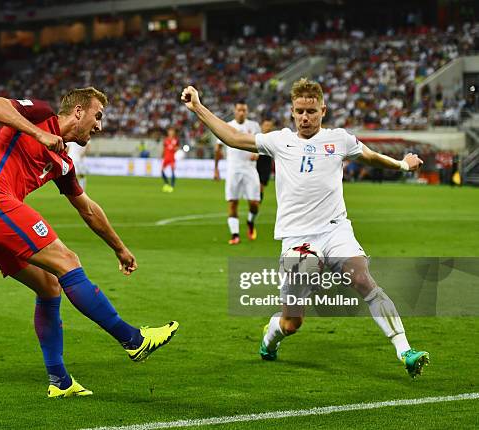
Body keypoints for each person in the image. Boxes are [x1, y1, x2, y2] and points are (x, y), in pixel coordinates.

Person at [181, 78, 429, 378]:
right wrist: (198, 107)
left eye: (311, 111)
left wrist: (402, 165)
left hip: (336, 230)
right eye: (299, 111)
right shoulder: (279, 140)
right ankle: (271, 337)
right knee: (292, 323)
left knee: (364, 279)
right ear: (292, 111)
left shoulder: (339, 140)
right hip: (298, 240)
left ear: (323, 110)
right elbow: (234, 137)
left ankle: (405, 351)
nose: (305, 117)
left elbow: (372, 158)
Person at [0, 88, 179, 398]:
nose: (100, 126)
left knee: (49, 286)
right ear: (78, 112)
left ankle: (59, 382)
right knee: (68, 261)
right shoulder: (40, 114)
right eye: (97, 116)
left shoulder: (63, 163)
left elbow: (88, 208)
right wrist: (39, 134)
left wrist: (119, 247)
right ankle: (133, 339)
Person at [213, 101, 262, 245]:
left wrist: (258, 154)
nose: (242, 112)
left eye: (244, 110)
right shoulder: (228, 126)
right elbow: (218, 148)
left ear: (247, 112)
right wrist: (216, 169)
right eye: (239, 110)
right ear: (235, 111)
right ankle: (235, 235)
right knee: (233, 203)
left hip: (250, 169)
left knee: (254, 203)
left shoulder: (254, 126)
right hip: (233, 170)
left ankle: (250, 222)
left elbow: (261, 146)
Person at [257, 118, 275, 201]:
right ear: (262, 126)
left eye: (270, 126)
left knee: (260, 188)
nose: (268, 128)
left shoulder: (274, 139)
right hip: (254, 165)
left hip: (266, 166)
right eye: (266, 125)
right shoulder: (257, 138)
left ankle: (254, 210)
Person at [161, 127, 179, 193]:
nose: (171, 132)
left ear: (174, 132)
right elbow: (163, 148)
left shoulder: (175, 140)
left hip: (172, 158)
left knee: (172, 172)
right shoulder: (166, 140)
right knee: (162, 171)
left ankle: (172, 186)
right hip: (166, 158)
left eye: (172, 131)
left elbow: (177, 148)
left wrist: (174, 148)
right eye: (170, 131)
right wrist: (161, 156)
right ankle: (166, 183)